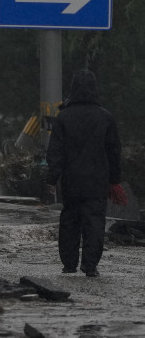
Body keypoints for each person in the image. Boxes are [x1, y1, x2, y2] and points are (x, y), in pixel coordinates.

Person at [46, 69, 125, 277]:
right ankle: (90, 266)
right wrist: (115, 180)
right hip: (97, 181)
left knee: (69, 220)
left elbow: (55, 152)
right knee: (94, 223)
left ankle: (69, 264)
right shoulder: (106, 118)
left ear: (72, 90)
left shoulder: (62, 117)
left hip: (71, 181)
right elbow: (114, 152)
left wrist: (52, 178)